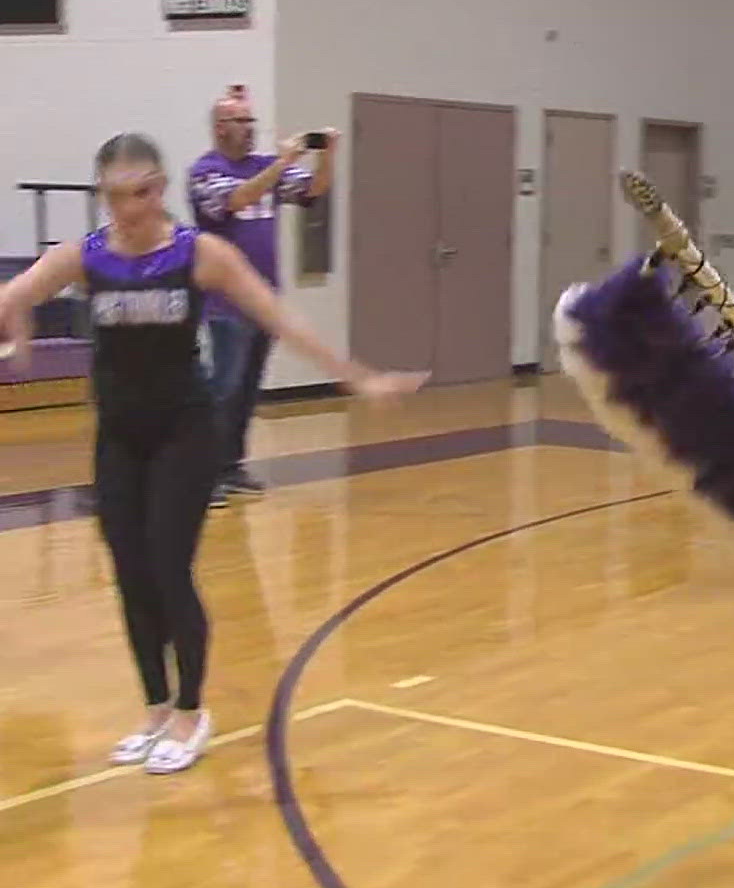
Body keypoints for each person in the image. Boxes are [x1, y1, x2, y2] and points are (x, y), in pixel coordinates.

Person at [0, 133, 423, 775]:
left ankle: (192, 712)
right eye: (117, 197)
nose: (131, 209)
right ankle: (153, 709)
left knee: (170, 567)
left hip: (182, 434)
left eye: (142, 193)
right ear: (105, 196)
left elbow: (280, 319)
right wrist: (21, 331)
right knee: (130, 573)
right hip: (119, 435)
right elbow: (13, 294)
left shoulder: (200, 254)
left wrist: (358, 376)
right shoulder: (84, 259)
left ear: (161, 189)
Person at [188, 83, 335, 505]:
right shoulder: (206, 171)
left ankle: (231, 466)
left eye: (252, 121)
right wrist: (284, 161)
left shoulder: (266, 166)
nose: (249, 129)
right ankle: (203, 474)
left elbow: (313, 190)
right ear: (219, 127)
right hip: (224, 304)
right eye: (240, 121)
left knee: (247, 389)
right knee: (223, 388)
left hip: (263, 301)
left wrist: (328, 154)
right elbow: (236, 199)